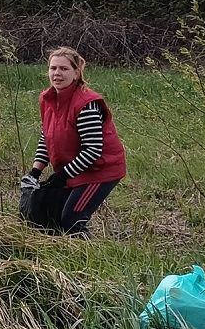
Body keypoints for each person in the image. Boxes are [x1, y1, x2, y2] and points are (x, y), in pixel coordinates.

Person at [20, 47, 127, 235]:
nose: (57, 74)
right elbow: (47, 136)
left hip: (100, 171)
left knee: (71, 220)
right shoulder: (48, 100)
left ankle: (91, 261)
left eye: (64, 69)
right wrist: (35, 172)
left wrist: (61, 176)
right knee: (52, 216)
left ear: (76, 73)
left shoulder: (86, 104)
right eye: (53, 68)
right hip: (74, 170)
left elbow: (93, 150)